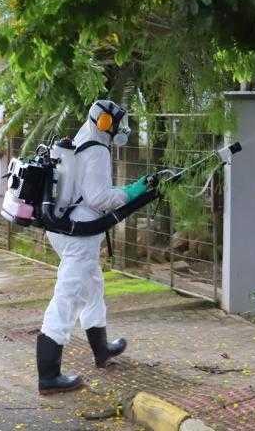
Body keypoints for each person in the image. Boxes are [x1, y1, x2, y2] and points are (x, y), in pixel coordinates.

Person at [36, 99, 149, 394]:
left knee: (92, 286)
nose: (121, 128)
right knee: (67, 296)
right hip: (80, 234)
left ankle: (102, 350)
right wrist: (132, 191)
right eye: (117, 122)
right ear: (104, 123)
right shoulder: (97, 148)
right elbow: (98, 198)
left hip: (68, 227)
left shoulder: (84, 137)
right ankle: (48, 374)